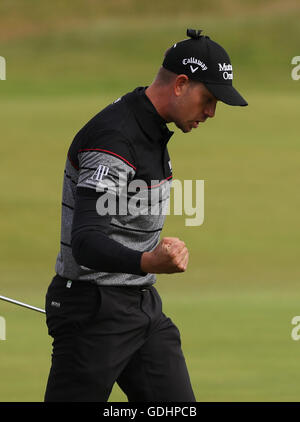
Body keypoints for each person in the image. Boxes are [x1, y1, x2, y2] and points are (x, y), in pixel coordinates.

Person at [44, 29, 247, 402]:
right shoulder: (114, 138)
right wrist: (147, 259)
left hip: (141, 308)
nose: (211, 112)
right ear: (181, 84)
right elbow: (85, 240)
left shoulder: (150, 129)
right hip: (92, 312)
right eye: (209, 98)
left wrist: (146, 263)